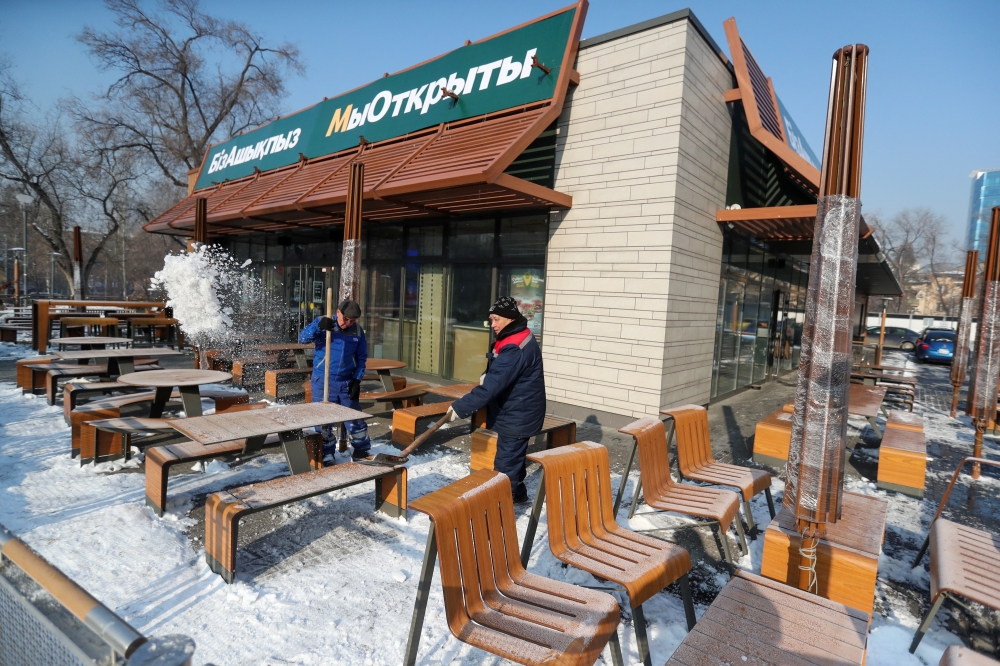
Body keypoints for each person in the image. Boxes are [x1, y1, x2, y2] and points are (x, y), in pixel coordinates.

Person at [449, 296, 545, 503]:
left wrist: (460, 407)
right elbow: (501, 371)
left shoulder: (515, 345)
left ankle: (500, 513)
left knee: (505, 467)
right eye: (491, 319)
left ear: (510, 319)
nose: (492, 325)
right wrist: (489, 372)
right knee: (512, 460)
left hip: (518, 413)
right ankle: (518, 495)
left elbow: (491, 387)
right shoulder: (517, 334)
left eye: (496, 319)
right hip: (516, 409)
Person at [299, 299, 371, 462]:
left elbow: (361, 358)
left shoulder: (358, 332)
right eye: (345, 319)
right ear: (338, 312)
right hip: (323, 380)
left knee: (355, 419)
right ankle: (326, 453)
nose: (348, 323)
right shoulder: (324, 324)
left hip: (346, 382)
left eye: (352, 321)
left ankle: (361, 450)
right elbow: (302, 338)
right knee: (324, 421)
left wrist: (357, 380)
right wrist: (318, 327)